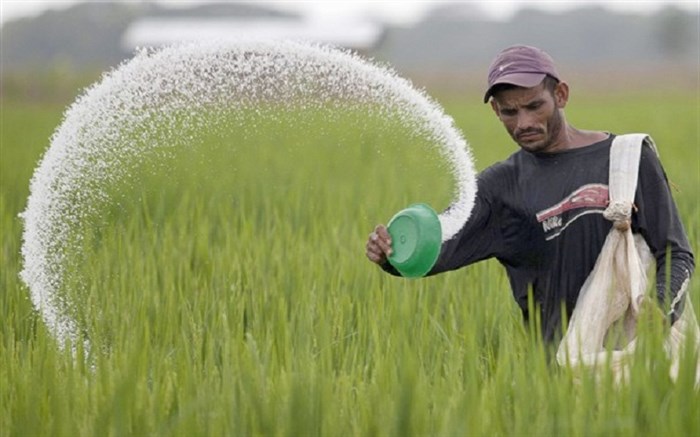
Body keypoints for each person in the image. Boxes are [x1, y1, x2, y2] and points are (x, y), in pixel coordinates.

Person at [365, 45, 695, 342]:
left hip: (635, 355)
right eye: (509, 112)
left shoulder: (626, 157)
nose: (523, 122)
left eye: (534, 106)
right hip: (559, 371)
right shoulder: (501, 187)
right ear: (496, 110)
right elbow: (440, 248)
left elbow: (675, 252)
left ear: (561, 95)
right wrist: (391, 254)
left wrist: (659, 312)